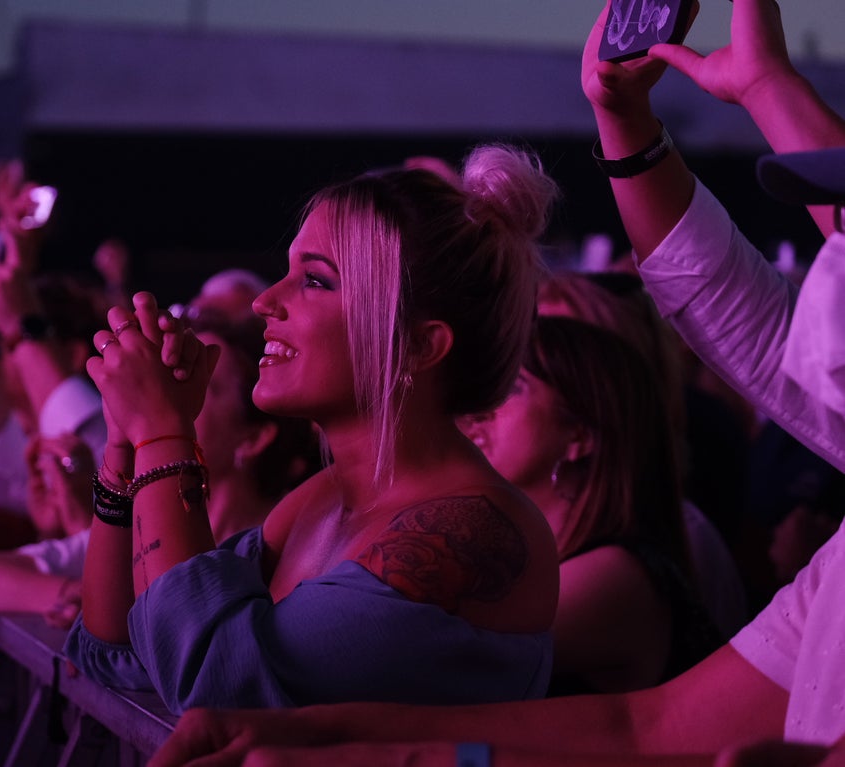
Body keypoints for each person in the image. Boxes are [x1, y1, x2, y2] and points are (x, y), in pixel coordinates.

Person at [146, 1, 845, 763]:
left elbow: (211, 668)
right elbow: (642, 727)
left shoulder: (488, 531)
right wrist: (308, 733)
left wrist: (157, 436)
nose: (830, 272)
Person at [68, 145, 563, 715]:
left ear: (419, 345)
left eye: (316, 281)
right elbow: (125, 647)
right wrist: (125, 444)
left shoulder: (470, 530)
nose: (264, 302)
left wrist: (162, 430)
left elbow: (211, 682)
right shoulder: (320, 499)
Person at [0, 311, 320, 625]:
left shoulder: (283, 552)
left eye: (196, 387)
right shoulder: (142, 528)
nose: (166, 400)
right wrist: (76, 598)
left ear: (253, 438)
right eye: (168, 381)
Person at [459, 315, 719, 694]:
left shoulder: (616, 574)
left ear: (579, 436)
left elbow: (435, 666)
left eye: (511, 387)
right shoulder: (520, 555)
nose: (478, 410)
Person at [537, 271, 748, 639]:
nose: (537, 362)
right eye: (535, 343)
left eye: (570, 345)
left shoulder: (662, 543)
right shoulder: (534, 519)